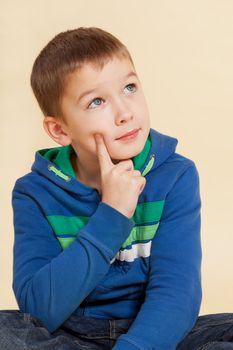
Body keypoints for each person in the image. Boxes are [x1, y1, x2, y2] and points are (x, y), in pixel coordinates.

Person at [0, 27, 233, 350]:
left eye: (130, 87)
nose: (125, 113)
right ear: (59, 129)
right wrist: (112, 213)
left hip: (157, 332)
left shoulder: (176, 176)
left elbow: (177, 293)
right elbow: (38, 311)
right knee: (5, 330)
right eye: (96, 101)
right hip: (71, 334)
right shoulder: (33, 193)